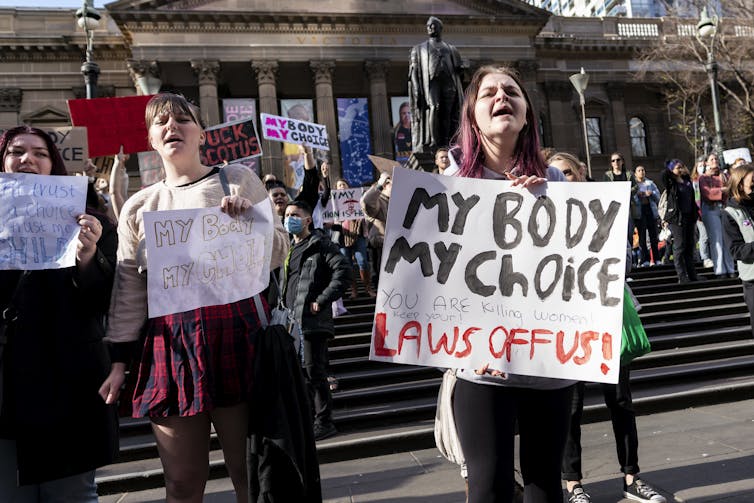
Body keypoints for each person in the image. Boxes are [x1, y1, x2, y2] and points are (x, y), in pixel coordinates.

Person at [101, 93, 289, 503]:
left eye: (182, 119)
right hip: (170, 342)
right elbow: (129, 290)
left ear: (201, 133)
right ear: (150, 139)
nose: (172, 127)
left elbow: (279, 253)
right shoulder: (139, 206)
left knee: (249, 473)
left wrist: (251, 223)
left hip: (237, 333)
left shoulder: (238, 179)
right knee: (182, 481)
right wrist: (118, 360)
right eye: (161, 122)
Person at [447, 65, 573, 503]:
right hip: (482, 371)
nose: (502, 96)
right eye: (489, 93)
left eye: (512, 91)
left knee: (543, 487)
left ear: (526, 114)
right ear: (473, 115)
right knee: (488, 489)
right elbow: (436, 281)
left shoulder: (555, 182)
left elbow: (578, 273)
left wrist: (550, 208)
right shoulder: (450, 189)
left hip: (548, 368)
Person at [0, 126, 119, 500]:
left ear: (54, 165)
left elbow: (104, 303)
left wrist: (87, 257)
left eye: (40, 153)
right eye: (17, 151)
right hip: (5, 383)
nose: (27, 160)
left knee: (71, 491)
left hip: (67, 381)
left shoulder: (89, 222)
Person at [280, 200, 351, 440]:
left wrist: (321, 299)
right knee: (300, 375)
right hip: (290, 322)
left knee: (314, 373)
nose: (289, 218)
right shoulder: (288, 248)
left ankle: (324, 422)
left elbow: (343, 272)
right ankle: (309, 420)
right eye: (287, 214)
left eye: (295, 214)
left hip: (312, 322)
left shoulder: (320, 245)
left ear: (308, 219)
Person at [409, 16, 464, 155]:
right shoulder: (418, 49)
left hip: (449, 83)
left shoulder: (451, 49)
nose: (431, 28)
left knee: (448, 112)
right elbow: (414, 72)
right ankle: (433, 140)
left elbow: (459, 70)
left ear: (440, 28)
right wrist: (417, 90)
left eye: (433, 25)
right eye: (429, 26)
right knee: (434, 107)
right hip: (432, 83)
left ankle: (447, 141)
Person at [723, 163, 754, 336]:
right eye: (753, 181)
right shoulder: (730, 213)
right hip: (752, 278)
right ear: (740, 184)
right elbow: (736, 250)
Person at [332, 178, 376, 299]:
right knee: (347, 264)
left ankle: (368, 288)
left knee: (362, 261)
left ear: (348, 187)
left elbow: (366, 212)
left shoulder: (357, 199)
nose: (342, 187)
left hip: (358, 234)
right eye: (339, 185)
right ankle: (353, 289)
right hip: (342, 237)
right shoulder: (334, 202)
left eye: (344, 185)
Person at [661, 159, 700, 283]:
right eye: (678, 167)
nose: (681, 169)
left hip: (689, 217)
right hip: (677, 219)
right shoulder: (671, 183)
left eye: (682, 166)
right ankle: (682, 276)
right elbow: (663, 175)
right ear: (672, 170)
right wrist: (670, 167)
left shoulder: (687, 181)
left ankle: (692, 275)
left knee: (689, 246)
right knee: (679, 246)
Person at [699, 153, 736, 278]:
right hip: (711, 209)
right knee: (717, 240)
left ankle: (730, 269)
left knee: (727, 239)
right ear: (707, 163)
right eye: (711, 159)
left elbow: (731, 189)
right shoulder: (703, 177)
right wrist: (722, 190)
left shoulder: (724, 175)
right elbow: (707, 193)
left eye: (716, 159)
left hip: (724, 208)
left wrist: (723, 189)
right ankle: (720, 270)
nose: (714, 161)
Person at [361, 170, 391, 284]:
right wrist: (379, 183)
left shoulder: (399, 199)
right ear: (385, 185)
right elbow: (366, 202)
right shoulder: (378, 201)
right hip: (382, 248)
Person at [632, 165, 661, 266]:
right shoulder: (634, 185)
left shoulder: (650, 183)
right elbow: (632, 198)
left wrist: (651, 193)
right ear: (635, 173)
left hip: (650, 210)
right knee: (642, 237)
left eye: (643, 170)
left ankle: (656, 259)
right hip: (640, 211)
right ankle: (645, 259)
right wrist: (638, 195)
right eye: (639, 170)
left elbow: (658, 197)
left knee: (653, 236)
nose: (641, 172)